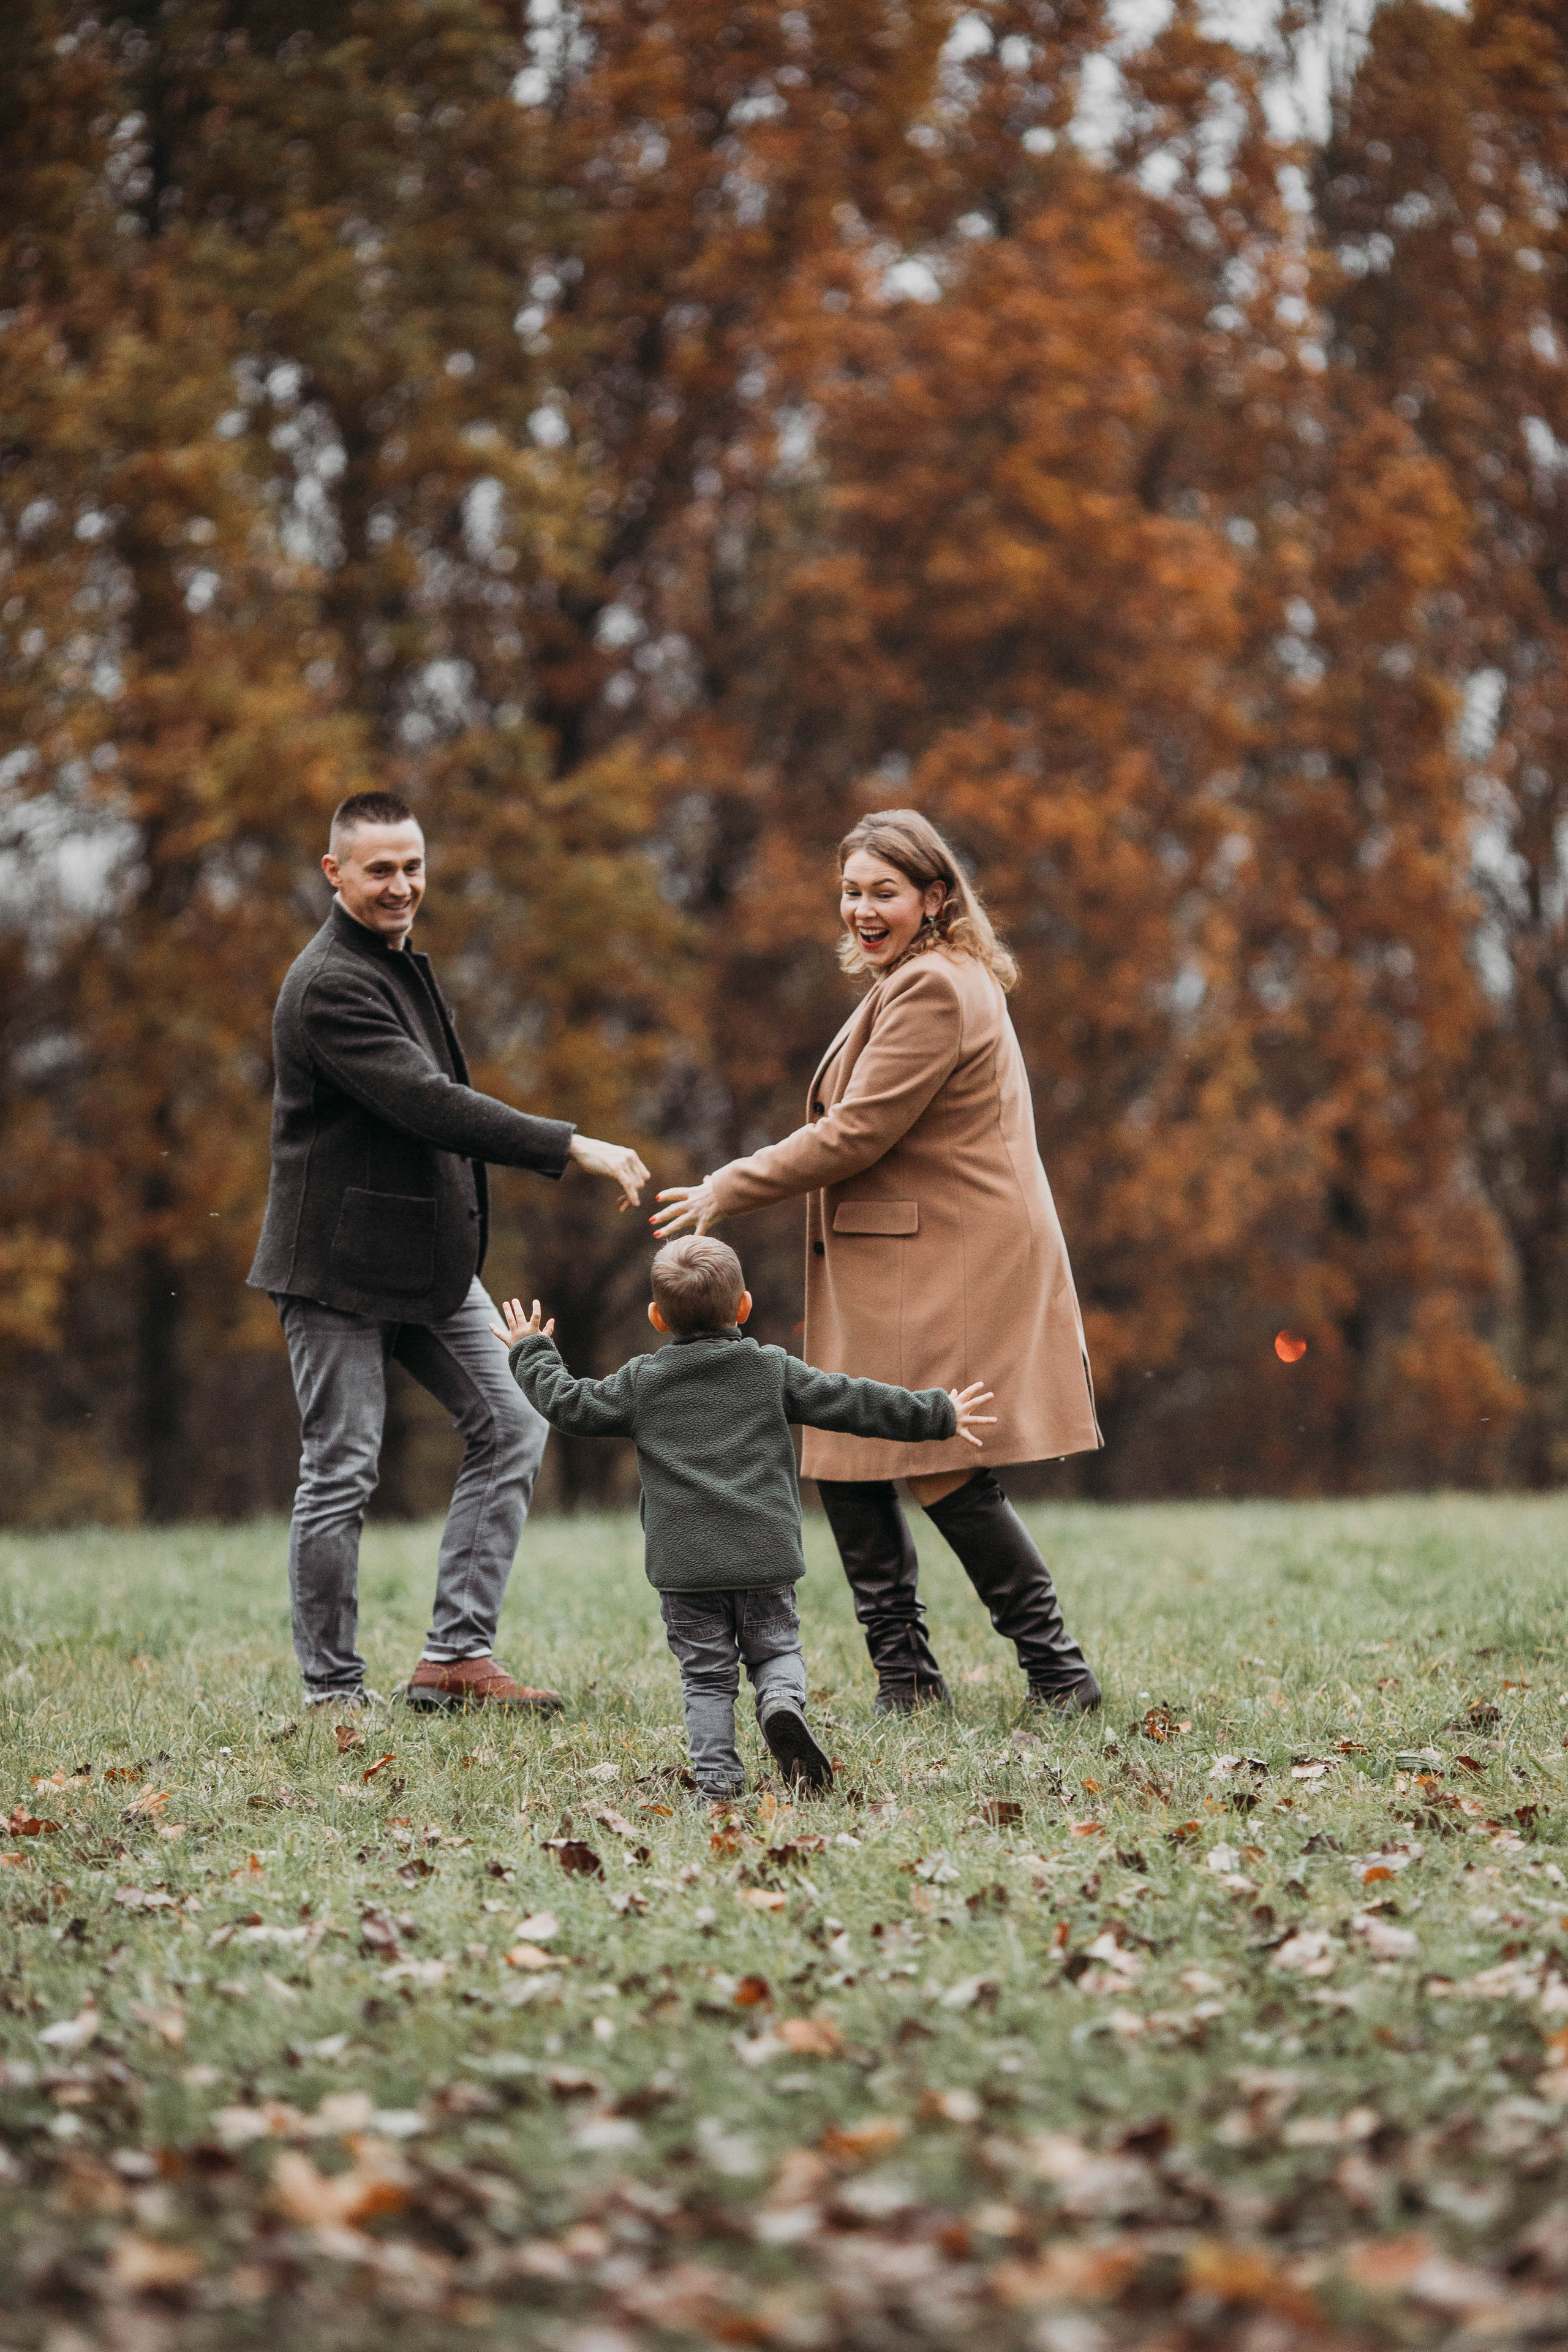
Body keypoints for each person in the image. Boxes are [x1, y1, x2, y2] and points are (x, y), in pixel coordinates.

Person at [651, 809, 1102, 1716]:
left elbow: (857, 1132)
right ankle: (907, 1679)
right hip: (906, 1250)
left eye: (884, 892)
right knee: (848, 1447)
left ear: (935, 898)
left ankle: (1059, 1676)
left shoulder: (934, 988)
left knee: (940, 1460)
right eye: (852, 891)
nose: (862, 908)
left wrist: (727, 1186)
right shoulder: (921, 976)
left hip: (948, 1255)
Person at [248, 789, 650, 1713]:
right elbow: (429, 1103)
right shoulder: (330, 986)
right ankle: (334, 1693)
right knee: (343, 1467)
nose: (401, 886)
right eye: (380, 870)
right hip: (336, 1274)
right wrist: (570, 1144)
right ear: (334, 873)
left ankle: (455, 1660)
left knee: (514, 1421)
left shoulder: (398, 964)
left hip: (426, 1265)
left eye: (413, 867)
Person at [493, 1235, 995, 1796]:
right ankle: (780, 1703)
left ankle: (718, 1779)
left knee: (706, 1679)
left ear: (657, 1318)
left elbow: (571, 1405)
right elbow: (852, 1399)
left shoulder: (642, 1383)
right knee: (777, 1652)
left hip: (687, 1570)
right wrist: (939, 1412)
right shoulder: (770, 1371)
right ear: (744, 1307)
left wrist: (531, 1350)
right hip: (766, 1558)